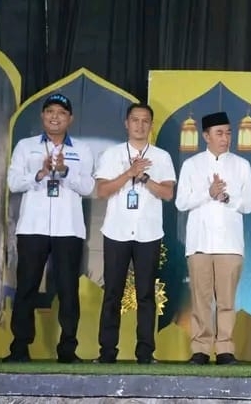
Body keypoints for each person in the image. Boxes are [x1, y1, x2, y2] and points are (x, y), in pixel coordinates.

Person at [4, 93, 95, 363]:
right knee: (27, 287)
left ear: (70, 119)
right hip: (33, 227)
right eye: (50, 111)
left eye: (61, 113)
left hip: (68, 229)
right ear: (43, 116)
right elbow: (13, 183)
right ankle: (20, 348)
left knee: (68, 290)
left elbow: (89, 187)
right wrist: (40, 173)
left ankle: (67, 350)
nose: (55, 117)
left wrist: (66, 172)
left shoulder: (82, 149)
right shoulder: (26, 146)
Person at [93, 103, 176, 364]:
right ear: (126, 123)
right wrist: (129, 173)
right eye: (135, 120)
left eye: (145, 121)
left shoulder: (162, 157)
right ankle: (107, 353)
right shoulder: (112, 154)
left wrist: (145, 179)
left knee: (146, 295)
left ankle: (145, 353)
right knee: (112, 293)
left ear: (151, 125)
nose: (140, 125)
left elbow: (167, 193)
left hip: (148, 233)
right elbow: (102, 191)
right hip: (116, 231)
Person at [175, 111, 251, 365]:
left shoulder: (241, 165)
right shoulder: (192, 165)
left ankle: (224, 350)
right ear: (206, 136)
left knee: (226, 301)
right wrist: (208, 193)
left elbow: (250, 204)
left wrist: (227, 198)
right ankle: (200, 348)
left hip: (230, 244)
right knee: (201, 300)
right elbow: (181, 202)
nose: (225, 138)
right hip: (199, 243)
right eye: (219, 133)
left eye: (228, 133)